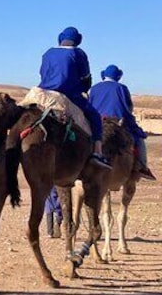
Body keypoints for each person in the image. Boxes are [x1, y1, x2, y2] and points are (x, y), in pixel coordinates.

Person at [38, 26, 111, 169]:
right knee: (95, 117)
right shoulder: (78, 54)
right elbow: (85, 78)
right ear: (77, 40)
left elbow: (42, 73)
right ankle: (97, 152)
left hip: (43, 93)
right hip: (69, 95)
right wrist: (83, 88)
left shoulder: (47, 53)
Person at [89, 65, 156, 180]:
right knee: (139, 139)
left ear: (104, 75)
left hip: (97, 122)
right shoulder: (121, 88)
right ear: (118, 76)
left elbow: (89, 105)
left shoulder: (94, 88)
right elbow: (128, 107)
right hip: (117, 122)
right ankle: (142, 166)